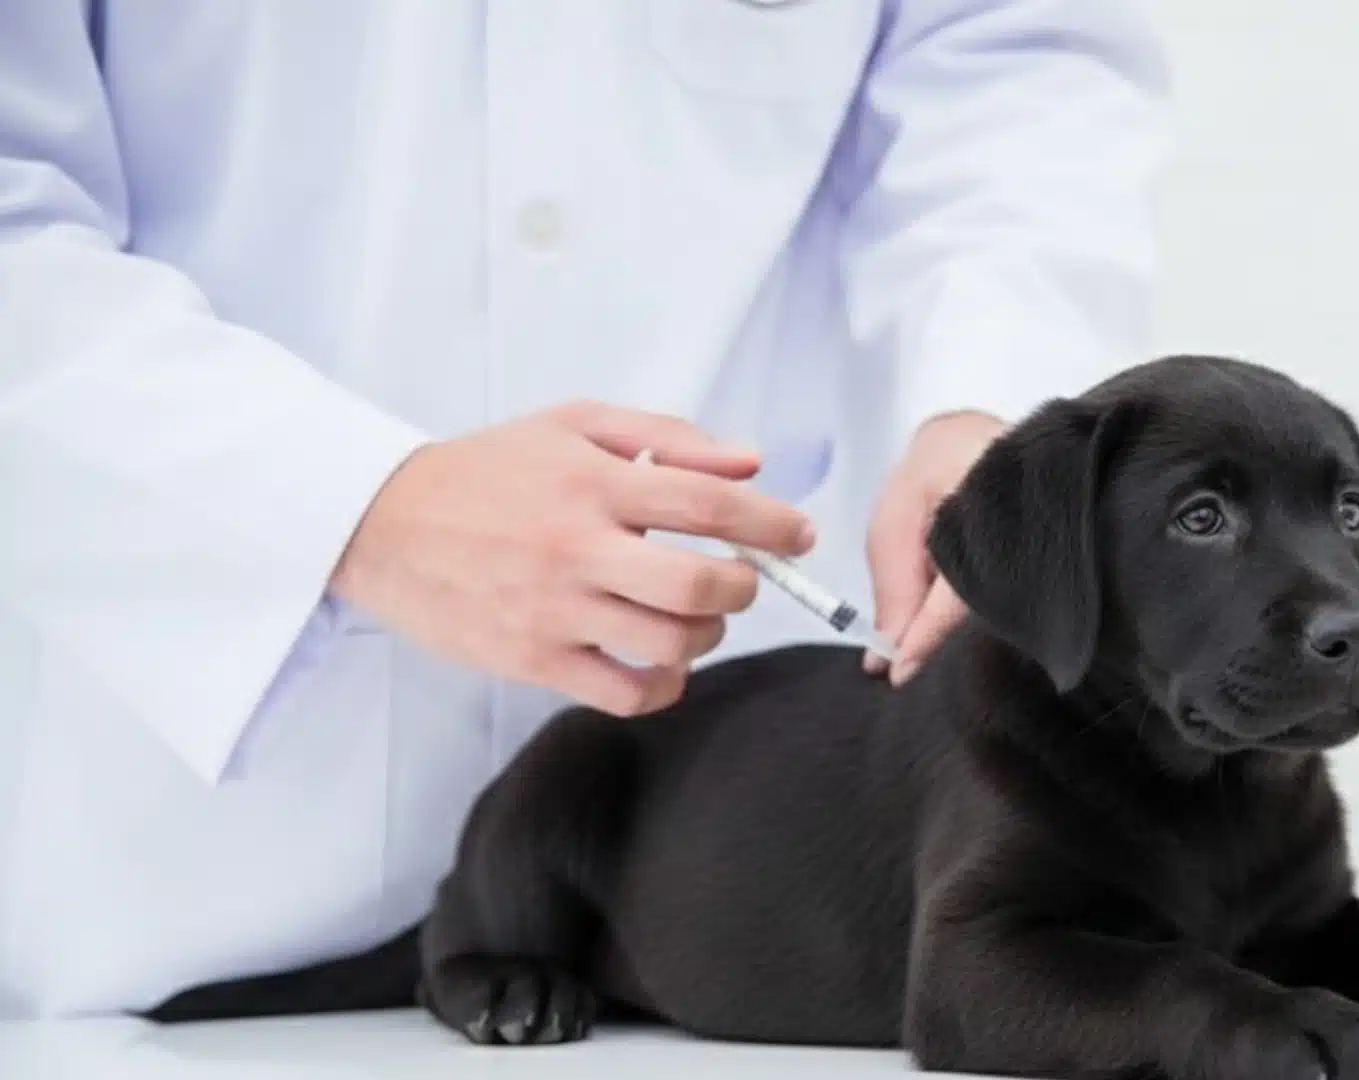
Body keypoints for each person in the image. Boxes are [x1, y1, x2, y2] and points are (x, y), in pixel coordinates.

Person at [0, 1, 1167, 1019]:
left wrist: (990, 408)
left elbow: (1014, 65)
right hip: (172, 909)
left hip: (755, 926)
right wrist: (345, 506)